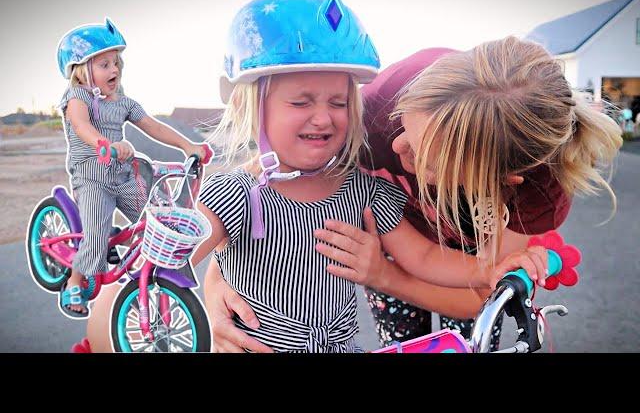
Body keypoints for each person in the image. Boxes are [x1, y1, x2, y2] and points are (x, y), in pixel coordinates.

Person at [207, 37, 622, 353]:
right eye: (406, 127)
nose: (399, 146)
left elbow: (478, 297)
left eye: (424, 157)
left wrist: (384, 276)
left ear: (501, 180)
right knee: (402, 342)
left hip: (454, 262)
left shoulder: (539, 191)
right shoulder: (379, 106)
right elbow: (270, 175)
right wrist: (217, 277)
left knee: (472, 341)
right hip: (386, 242)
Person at [55, 18, 207, 318]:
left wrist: (188, 146)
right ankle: (74, 280)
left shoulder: (124, 103)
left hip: (122, 174)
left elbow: (152, 126)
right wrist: (105, 144)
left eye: (116, 64)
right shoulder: (77, 97)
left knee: (155, 219)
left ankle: (141, 266)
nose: (114, 70)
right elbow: (82, 126)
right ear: (81, 70)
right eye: (104, 65)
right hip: (91, 176)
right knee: (96, 234)